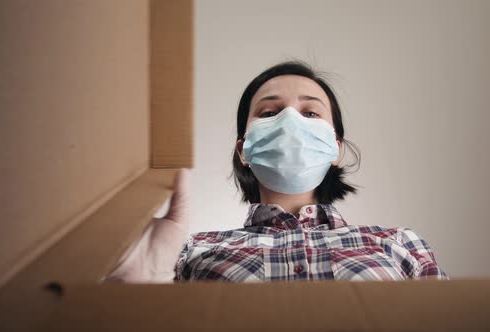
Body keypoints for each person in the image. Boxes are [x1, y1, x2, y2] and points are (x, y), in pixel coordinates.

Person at [105, 61, 449, 283]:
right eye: (269, 112)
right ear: (244, 150)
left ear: (335, 148)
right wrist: (141, 286)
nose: (289, 121)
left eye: (311, 113)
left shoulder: (399, 245)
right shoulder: (190, 252)